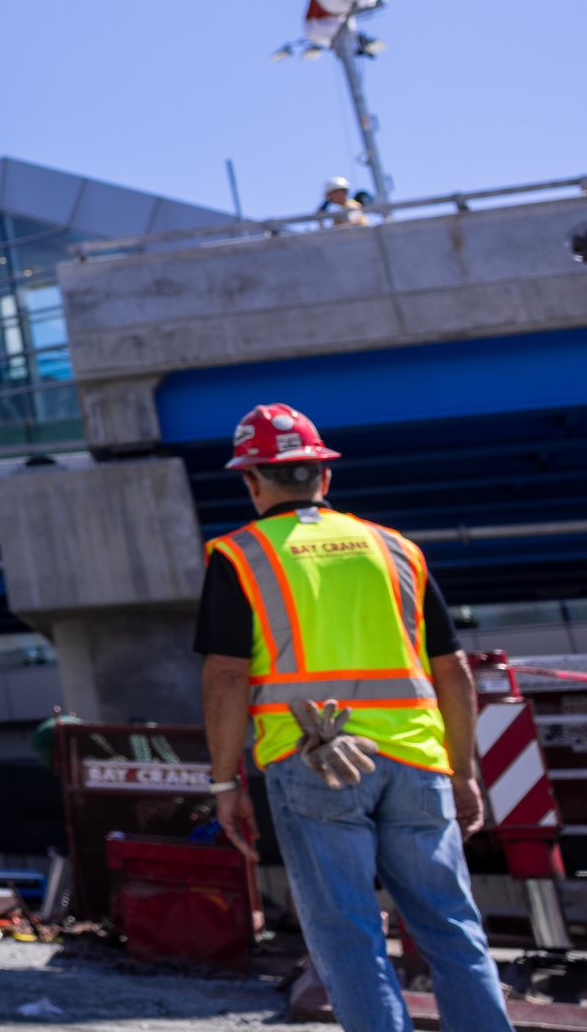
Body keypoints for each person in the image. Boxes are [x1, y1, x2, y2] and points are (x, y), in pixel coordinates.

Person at [196, 403, 509, 1032]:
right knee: (453, 930)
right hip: (417, 761)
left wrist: (226, 784)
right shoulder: (397, 550)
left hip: (314, 765)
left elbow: (227, 677)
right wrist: (463, 771)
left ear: (251, 480)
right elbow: (452, 671)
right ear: (323, 477)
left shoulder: (241, 555)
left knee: (349, 937)